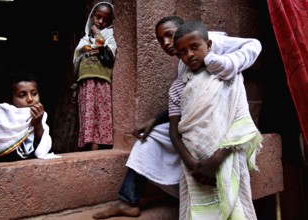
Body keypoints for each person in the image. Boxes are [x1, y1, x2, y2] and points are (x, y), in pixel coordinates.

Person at [92, 15, 262, 219]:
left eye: (169, 35)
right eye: (161, 40)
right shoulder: (183, 69)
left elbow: (253, 46)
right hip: (192, 129)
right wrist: (155, 121)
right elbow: (187, 103)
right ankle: (128, 200)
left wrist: (226, 64)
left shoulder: (216, 46)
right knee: (150, 139)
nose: (166, 43)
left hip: (223, 129)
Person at [169, 20, 263, 219]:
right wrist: (193, 165)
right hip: (193, 165)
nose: (189, 55)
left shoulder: (228, 76)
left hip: (225, 159)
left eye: (194, 47)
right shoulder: (177, 87)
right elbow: (175, 131)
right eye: (182, 52)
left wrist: (216, 160)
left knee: (233, 210)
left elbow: (241, 119)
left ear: (209, 45)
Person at [71, 1, 117, 151]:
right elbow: (77, 60)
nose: (101, 22)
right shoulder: (84, 40)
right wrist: (75, 86)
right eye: (98, 17)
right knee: (86, 114)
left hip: (100, 82)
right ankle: (87, 146)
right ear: (92, 17)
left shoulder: (109, 37)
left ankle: (96, 147)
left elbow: (109, 56)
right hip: (85, 83)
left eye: (106, 19)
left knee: (98, 114)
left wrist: (98, 36)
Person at [0, 70, 60, 162]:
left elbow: (43, 149)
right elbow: (1, 151)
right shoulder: (0, 114)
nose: (30, 99)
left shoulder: (40, 115)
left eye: (34, 94)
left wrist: (38, 124)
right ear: (10, 99)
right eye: (22, 95)